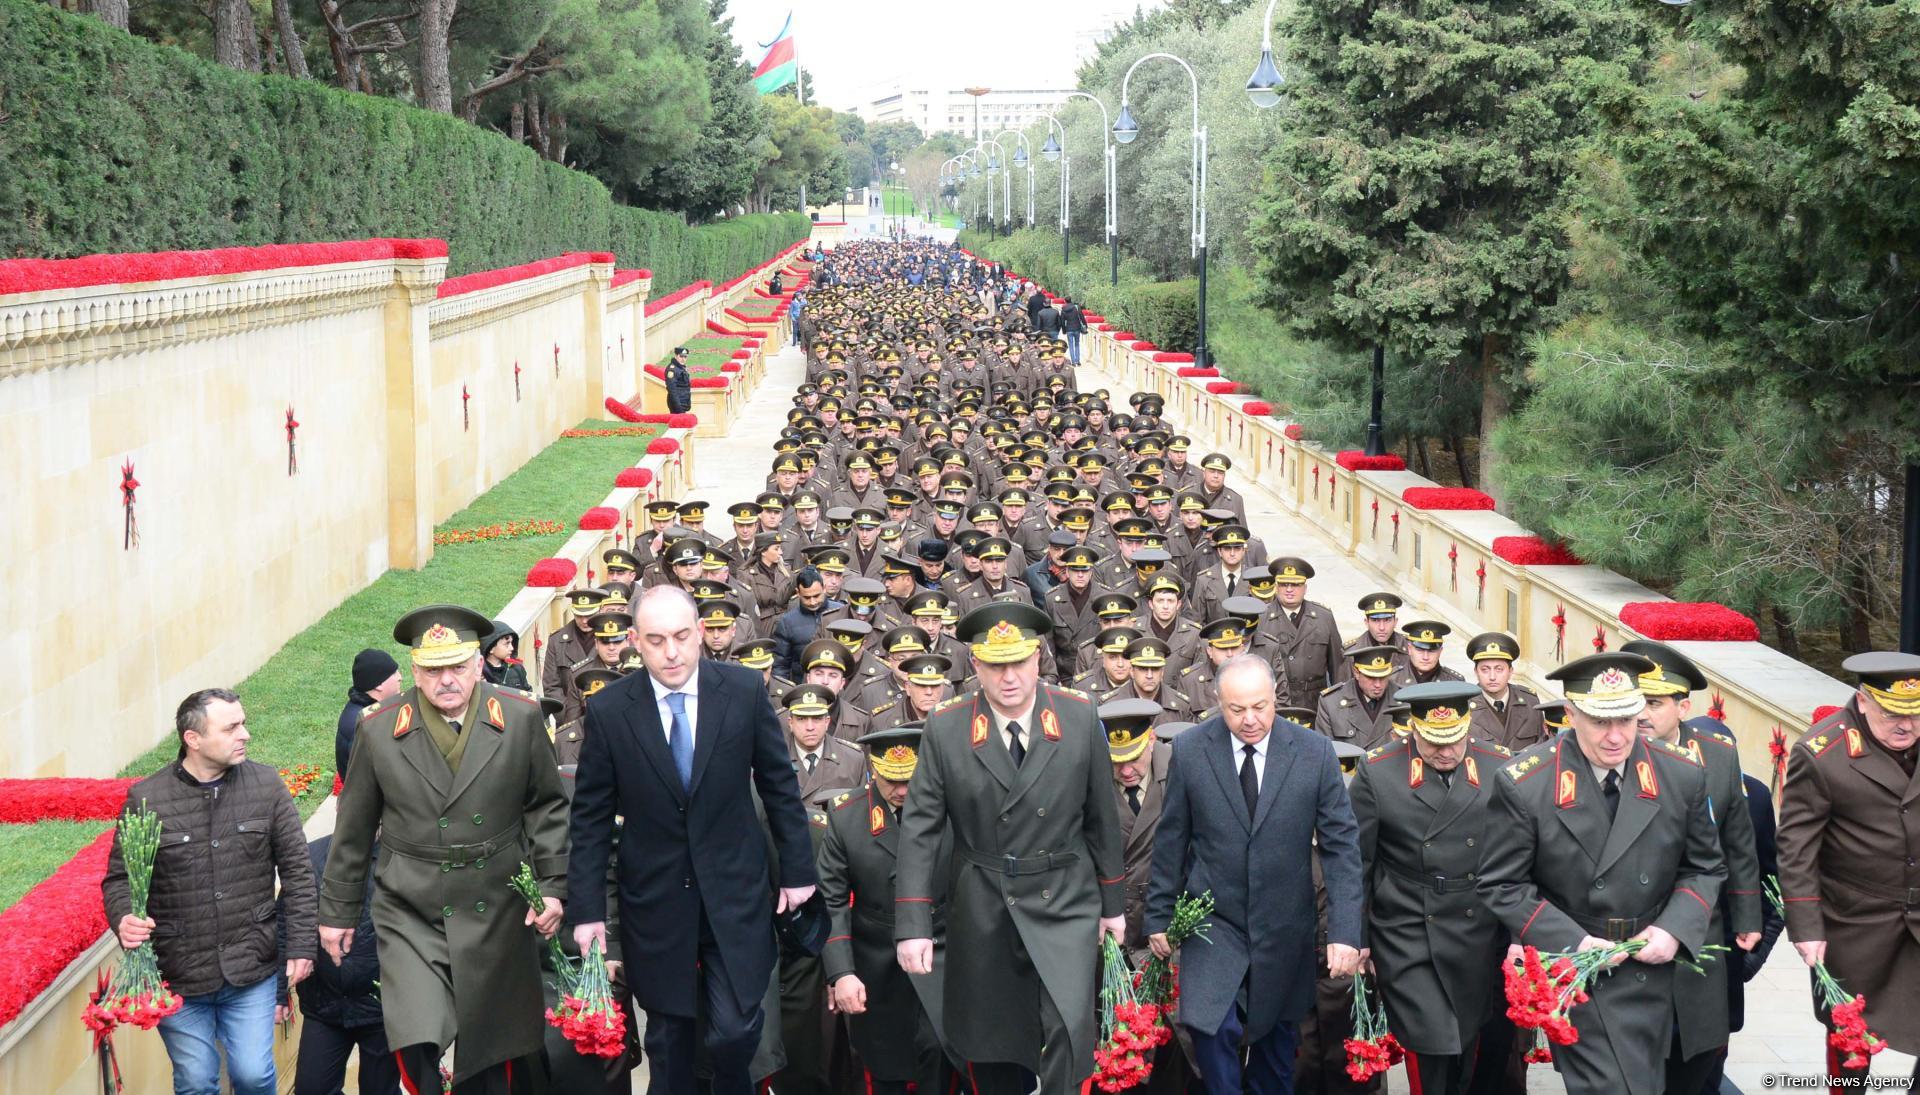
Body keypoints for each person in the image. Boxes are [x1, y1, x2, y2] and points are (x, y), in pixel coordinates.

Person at [567, 585, 819, 1095]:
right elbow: (590, 818)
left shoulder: (743, 691)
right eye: (656, 640)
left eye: (682, 637)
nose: (672, 652)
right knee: (668, 1043)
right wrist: (589, 910)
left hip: (735, 891)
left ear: (701, 633)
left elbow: (778, 787)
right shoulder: (612, 711)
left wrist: (797, 872)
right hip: (656, 901)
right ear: (635, 642)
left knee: (733, 1033)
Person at [320, 605, 570, 1094]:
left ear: (479, 664)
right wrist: (337, 913)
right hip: (411, 905)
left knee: (493, 1045)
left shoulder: (519, 717)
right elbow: (353, 828)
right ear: (414, 671)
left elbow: (547, 807)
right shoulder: (378, 728)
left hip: (497, 903)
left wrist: (552, 886)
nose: (446, 680)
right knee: (416, 1032)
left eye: (457, 666)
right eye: (433, 670)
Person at [894, 602, 1127, 1095]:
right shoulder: (947, 726)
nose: (1009, 677)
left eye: (1019, 661)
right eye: (995, 665)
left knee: (1068, 1025)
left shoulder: (1078, 715)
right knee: (993, 1043)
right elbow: (920, 828)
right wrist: (913, 924)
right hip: (984, 902)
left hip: (1063, 895)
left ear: (1039, 658)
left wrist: (1113, 905)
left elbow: (1102, 816)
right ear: (975, 665)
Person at [1475, 652, 1726, 1095]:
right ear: (1570, 714)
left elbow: (1705, 867)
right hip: (1580, 968)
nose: (1616, 737)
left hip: (1656, 964)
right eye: (1600, 722)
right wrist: (1572, 942)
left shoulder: (1680, 773)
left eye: (1627, 720)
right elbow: (1502, 884)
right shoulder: (1526, 782)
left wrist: (1672, 929)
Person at [1145, 655, 1364, 1095]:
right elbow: (1172, 840)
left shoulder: (1314, 753)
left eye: (1260, 707)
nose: (1250, 720)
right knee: (1211, 1028)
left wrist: (1345, 931)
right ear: (1218, 703)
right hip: (1213, 919)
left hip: (1284, 925)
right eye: (1237, 709)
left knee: (1275, 1052)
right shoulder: (1190, 751)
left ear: (1275, 700)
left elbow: (1342, 849)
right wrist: (1158, 917)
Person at [105, 688, 317, 1095]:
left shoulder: (266, 785)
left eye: (243, 723)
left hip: (251, 967)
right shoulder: (147, 798)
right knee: (196, 1080)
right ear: (193, 738)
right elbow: (119, 879)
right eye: (232, 726)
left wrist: (301, 946)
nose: (246, 734)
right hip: (178, 973)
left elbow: (298, 873)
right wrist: (123, 919)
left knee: (254, 1075)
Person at [1347, 682, 1511, 1095]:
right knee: (1432, 1039)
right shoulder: (1378, 771)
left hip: (1476, 925)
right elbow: (1358, 861)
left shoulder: (1498, 767)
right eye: (1434, 742)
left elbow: (1517, 857)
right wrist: (1357, 937)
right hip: (1407, 926)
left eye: (1454, 741)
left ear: (1468, 728)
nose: (1446, 751)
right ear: (1413, 731)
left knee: (1466, 1042)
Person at [1619, 639, 1765, 1094]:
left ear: (1683, 707)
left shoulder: (1718, 756)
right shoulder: (1610, 749)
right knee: (1630, 1054)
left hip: (1702, 928)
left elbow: (1739, 844)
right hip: (1627, 924)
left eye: (1655, 703)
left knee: (1696, 1050)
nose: (1642, 714)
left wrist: (1747, 918)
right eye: (1635, 701)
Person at [1778, 651, 1920, 1084]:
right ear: (1863, 701)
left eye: (1916, 715)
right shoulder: (1823, 753)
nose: (1906, 725)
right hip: (1857, 921)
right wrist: (1806, 926)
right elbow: (1796, 845)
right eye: (1892, 713)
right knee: (1850, 1032)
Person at [817, 724, 959, 1095]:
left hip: (941, 951)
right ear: (872, 770)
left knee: (938, 1054)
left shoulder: (950, 808)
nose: (900, 791)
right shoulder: (847, 817)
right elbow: (831, 900)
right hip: (877, 962)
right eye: (890, 780)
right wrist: (841, 972)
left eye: (909, 780)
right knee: (885, 1068)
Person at [288, 834, 398, 1095]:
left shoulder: (399, 857)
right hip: (324, 1005)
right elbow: (288, 919)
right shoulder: (312, 854)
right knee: (311, 1088)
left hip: (383, 1007)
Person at [336, 647, 400, 782]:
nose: (400, 677)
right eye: (394, 673)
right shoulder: (363, 724)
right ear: (379, 684)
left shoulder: (363, 709)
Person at [482, 620, 531, 690]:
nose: (512, 648)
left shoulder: (517, 669)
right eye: (507, 643)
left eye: (511, 643)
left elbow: (529, 695)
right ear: (491, 648)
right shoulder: (480, 673)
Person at [666, 345, 694, 414]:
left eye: (685, 357)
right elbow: (672, 390)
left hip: (683, 401)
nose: (683, 359)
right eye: (681, 356)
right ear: (676, 356)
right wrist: (678, 407)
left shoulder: (680, 367)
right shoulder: (672, 369)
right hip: (677, 404)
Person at [1060, 298, 1087, 365]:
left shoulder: (1063, 309)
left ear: (1065, 301)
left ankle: (1073, 362)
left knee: (1071, 345)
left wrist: (1064, 330)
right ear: (1071, 300)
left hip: (1069, 329)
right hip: (1077, 328)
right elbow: (1081, 317)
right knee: (1077, 344)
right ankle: (1078, 361)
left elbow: (1062, 321)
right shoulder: (1076, 307)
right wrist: (1085, 325)